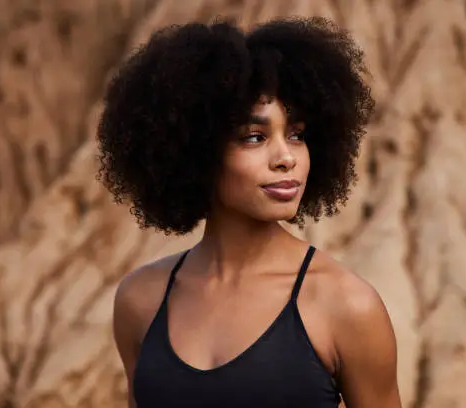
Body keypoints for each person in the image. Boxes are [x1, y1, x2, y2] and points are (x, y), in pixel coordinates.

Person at [97, 15, 401, 408]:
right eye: (255, 137)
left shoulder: (346, 306)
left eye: (297, 135)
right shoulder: (140, 300)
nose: (286, 158)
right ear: (197, 150)